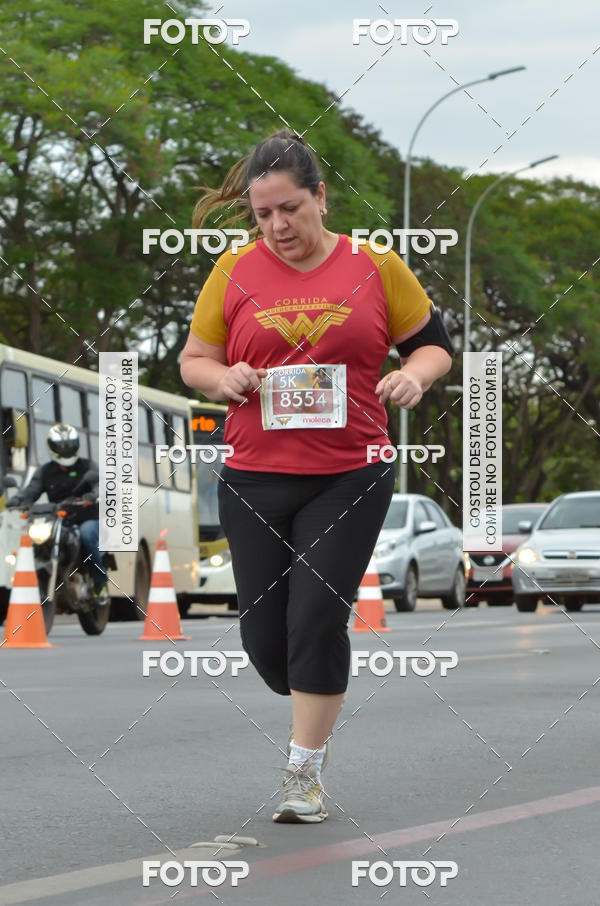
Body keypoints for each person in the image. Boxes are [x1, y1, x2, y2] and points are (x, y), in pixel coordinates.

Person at [180, 129, 454, 823]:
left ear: (321, 197)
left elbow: (433, 348)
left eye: (290, 209)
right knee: (266, 640)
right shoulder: (233, 271)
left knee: (317, 619)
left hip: (350, 474)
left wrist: (412, 378)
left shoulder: (377, 265)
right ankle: (305, 688)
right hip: (253, 476)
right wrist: (224, 377)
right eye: (263, 213)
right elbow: (195, 359)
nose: (277, 226)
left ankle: (304, 772)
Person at [7, 423, 108, 602]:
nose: (66, 449)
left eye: (69, 445)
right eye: (61, 446)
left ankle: (100, 586)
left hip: (87, 518)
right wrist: (18, 499)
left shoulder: (87, 466)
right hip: (60, 520)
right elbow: (32, 490)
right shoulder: (45, 471)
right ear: (51, 447)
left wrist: (93, 495)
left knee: (86, 535)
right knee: (38, 540)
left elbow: (100, 485)